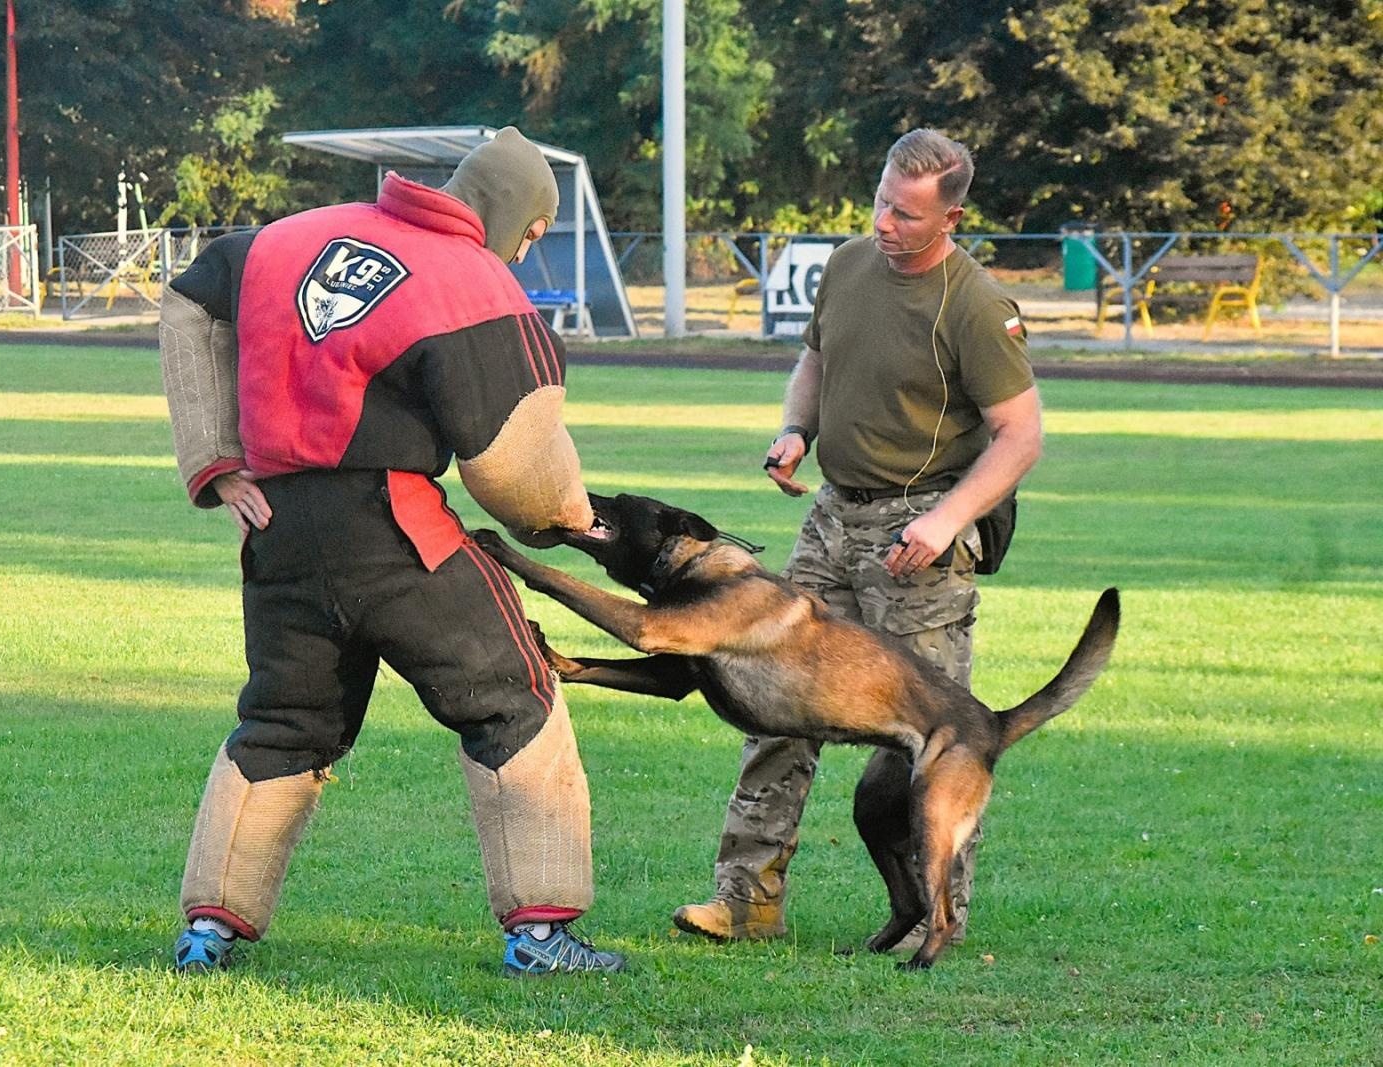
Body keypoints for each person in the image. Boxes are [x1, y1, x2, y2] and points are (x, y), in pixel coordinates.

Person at [158, 127, 625, 977]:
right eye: (531, 233)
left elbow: (189, 302)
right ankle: (540, 934)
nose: (526, 252)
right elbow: (514, 469)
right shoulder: (471, 280)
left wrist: (216, 459)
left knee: (284, 723)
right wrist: (570, 516)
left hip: (277, 530)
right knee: (514, 697)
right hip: (395, 524)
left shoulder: (285, 238)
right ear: (513, 212)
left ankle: (208, 931)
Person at [673, 128, 1044, 950]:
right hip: (831, 519)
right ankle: (746, 898)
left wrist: (946, 520)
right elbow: (816, 360)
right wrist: (795, 430)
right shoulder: (846, 266)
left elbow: (1021, 436)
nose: (884, 223)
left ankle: (937, 917)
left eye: (906, 214)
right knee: (768, 700)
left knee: (933, 737)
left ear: (951, 217)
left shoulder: (977, 306)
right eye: (881, 202)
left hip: (919, 537)